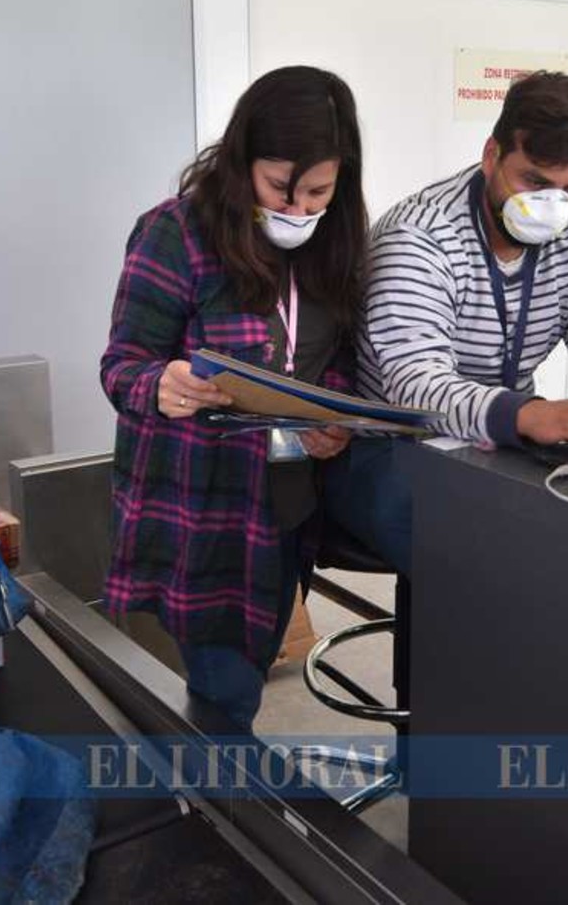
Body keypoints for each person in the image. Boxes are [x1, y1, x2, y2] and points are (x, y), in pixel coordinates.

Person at [324, 70, 568, 576]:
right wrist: (529, 414)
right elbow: (415, 388)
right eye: (535, 182)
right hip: (389, 446)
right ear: (491, 155)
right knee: (494, 566)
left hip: (498, 440)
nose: (553, 206)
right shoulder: (419, 237)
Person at [99, 65, 368, 733]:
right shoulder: (177, 233)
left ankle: (224, 781)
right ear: (243, 162)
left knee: (249, 667)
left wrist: (334, 415)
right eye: (280, 188)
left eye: (318, 192)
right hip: (203, 512)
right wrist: (160, 385)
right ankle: (219, 792)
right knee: (225, 698)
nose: (298, 211)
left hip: (288, 504)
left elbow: (336, 358)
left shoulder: (332, 244)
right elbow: (122, 365)